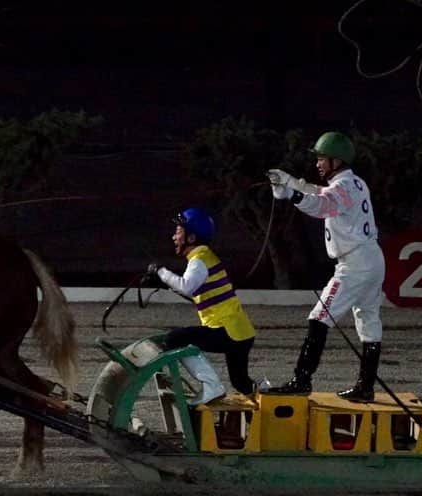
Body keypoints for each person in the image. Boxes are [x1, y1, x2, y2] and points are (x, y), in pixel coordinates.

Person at [264, 130, 384, 402]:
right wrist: (293, 183)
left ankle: (301, 380)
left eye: (322, 158)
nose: (318, 163)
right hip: (372, 259)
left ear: (336, 161)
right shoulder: (355, 183)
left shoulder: (342, 187)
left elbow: (322, 205)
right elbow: (322, 192)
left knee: (319, 317)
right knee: (368, 322)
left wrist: (292, 195)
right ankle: (365, 388)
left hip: (354, 264)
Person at [146, 207, 263, 404]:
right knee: (240, 382)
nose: (174, 237)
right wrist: (163, 282)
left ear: (191, 238)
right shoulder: (204, 257)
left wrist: (160, 271)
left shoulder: (199, 259)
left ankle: (212, 387)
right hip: (241, 332)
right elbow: (198, 292)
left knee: (176, 339)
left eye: (178, 232)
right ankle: (267, 399)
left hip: (227, 331)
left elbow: (186, 287)